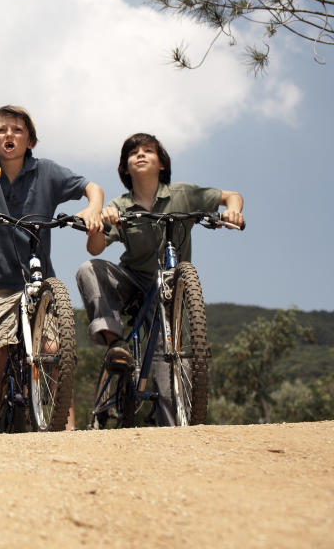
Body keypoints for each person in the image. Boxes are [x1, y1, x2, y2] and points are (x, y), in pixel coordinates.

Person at [0, 105, 104, 433]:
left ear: (30, 140)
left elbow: (92, 188)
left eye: (17, 130)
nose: (8, 135)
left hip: (42, 280)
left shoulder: (47, 172)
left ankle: (66, 429)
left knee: (55, 351)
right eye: (1, 130)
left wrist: (92, 210)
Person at [75, 132, 244, 425]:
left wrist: (233, 211)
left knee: (171, 378)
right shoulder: (121, 204)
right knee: (89, 269)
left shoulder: (183, 194)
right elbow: (95, 248)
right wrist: (100, 224)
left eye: (149, 151)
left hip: (169, 292)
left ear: (162, 163)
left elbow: (230, 196)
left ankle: (175, 434)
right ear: (125, 168)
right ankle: (116, 342)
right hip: (132, 280)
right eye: (133, 153)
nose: (141, 155)